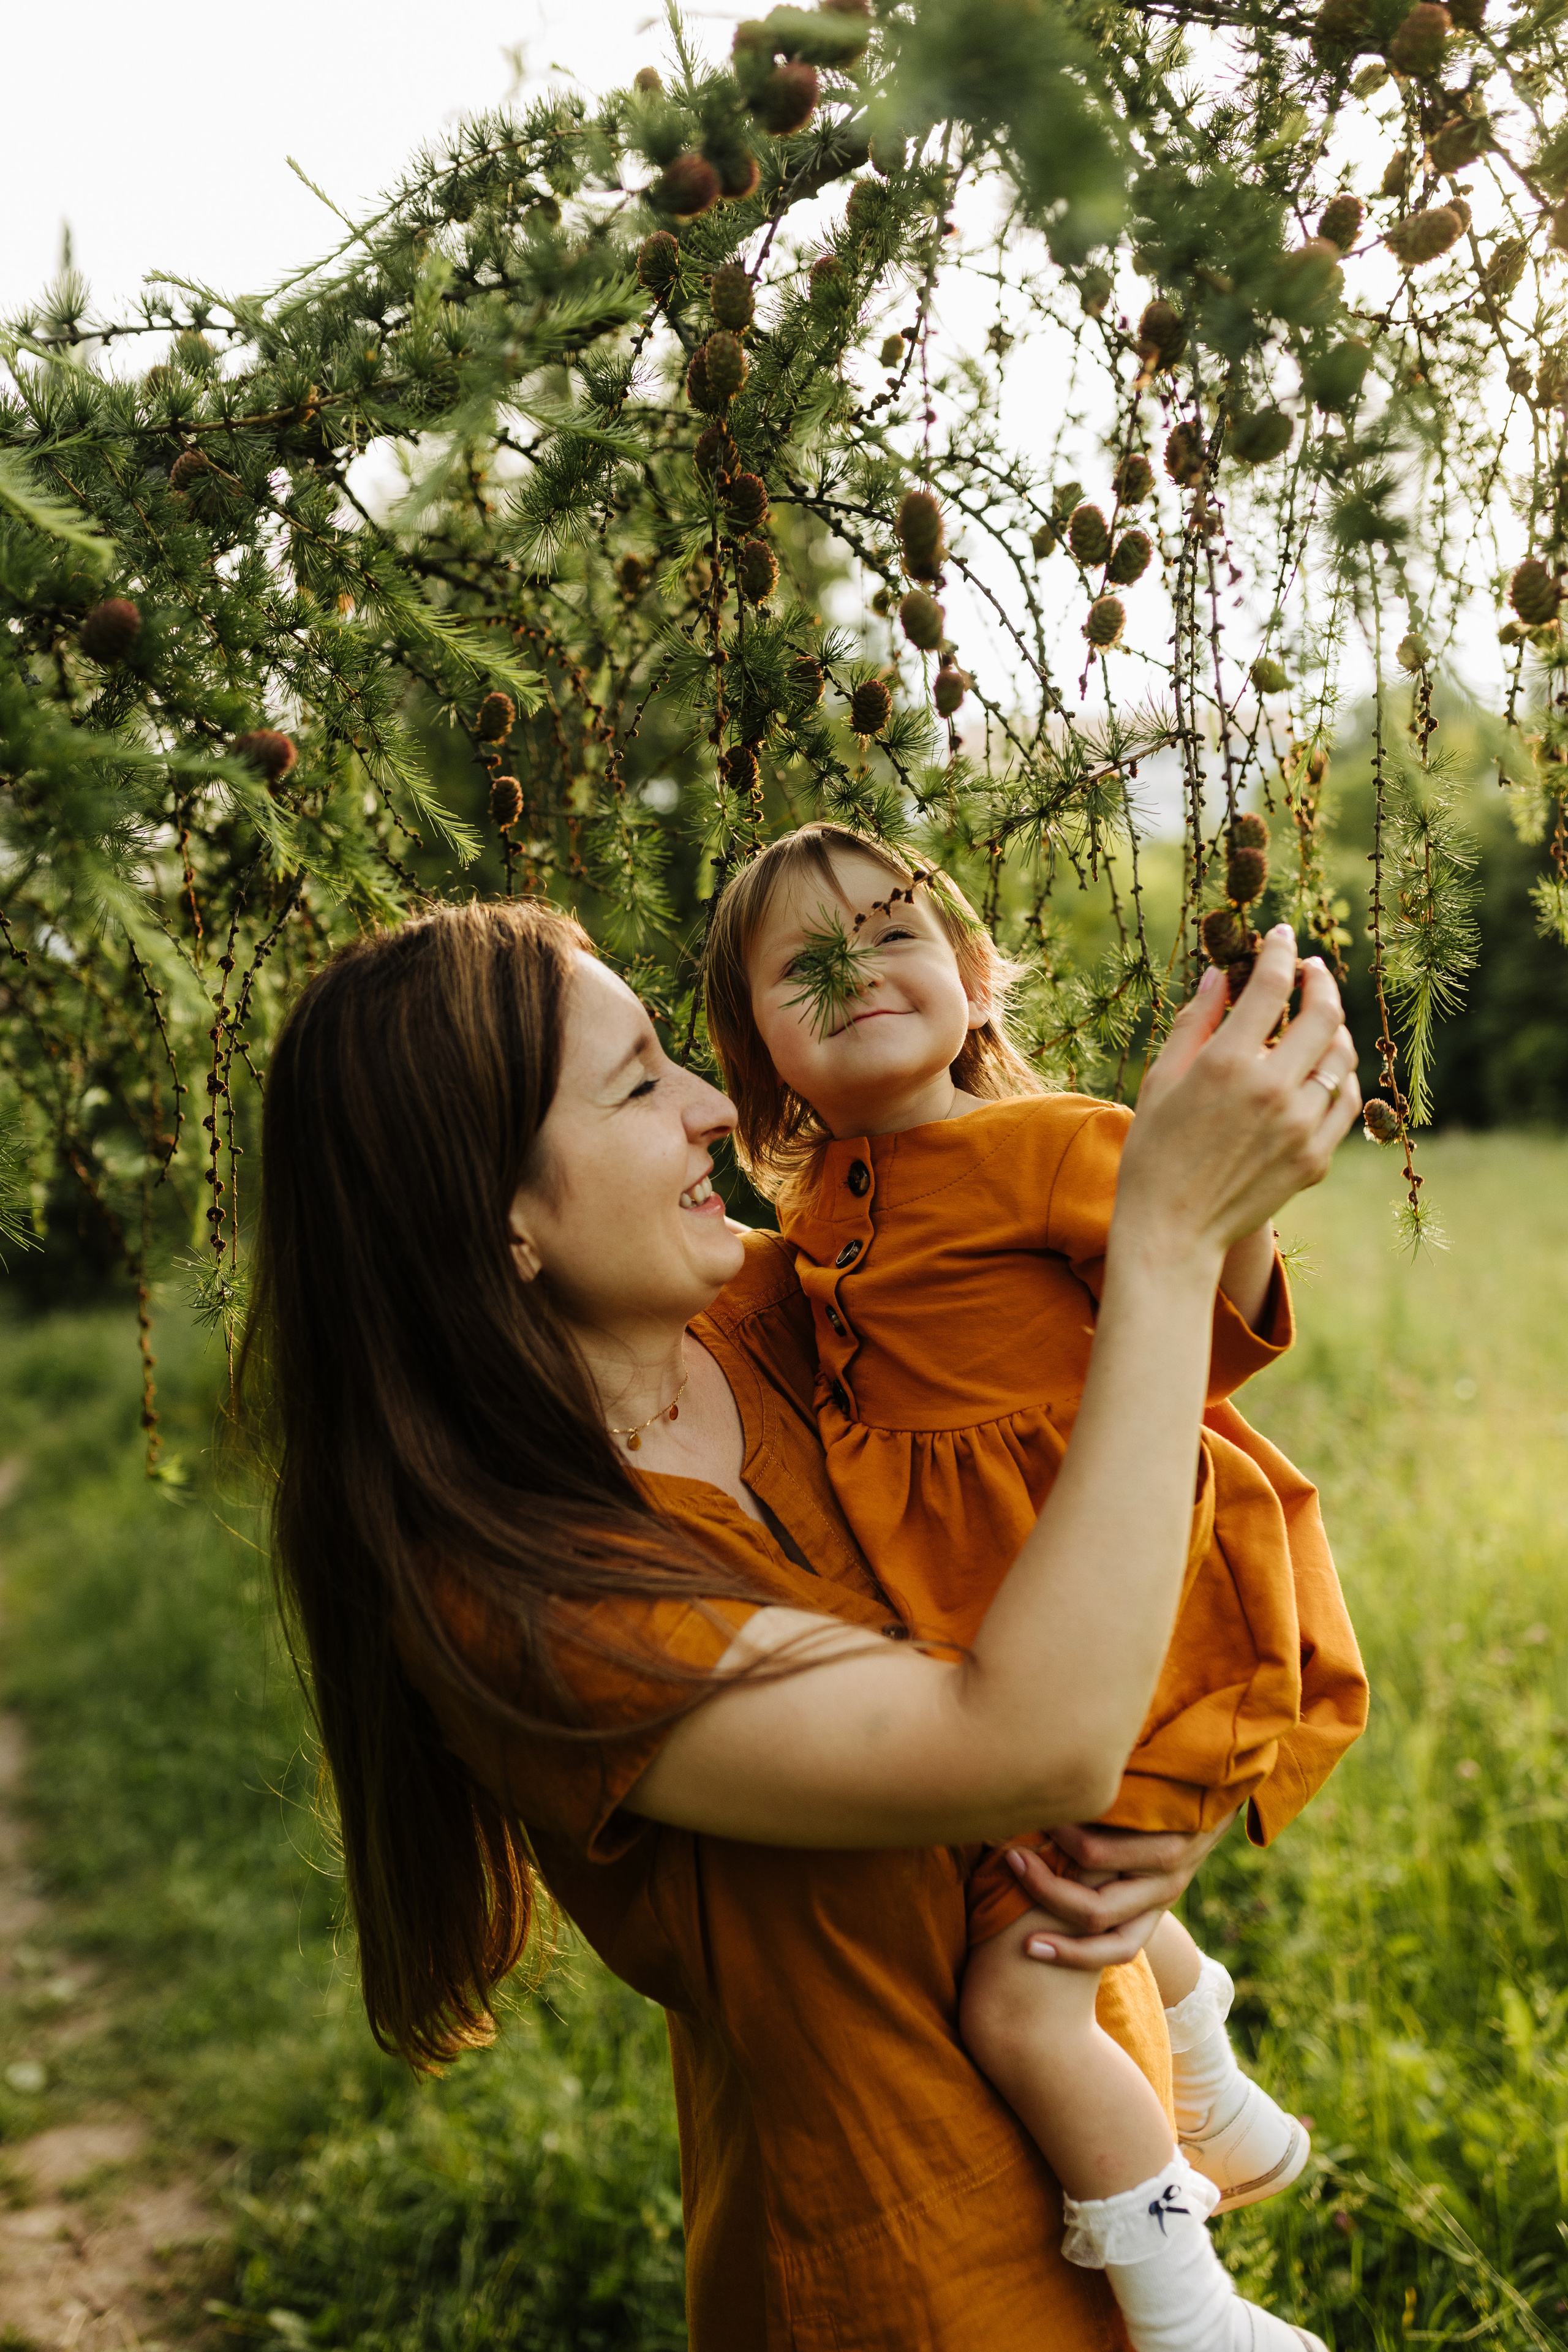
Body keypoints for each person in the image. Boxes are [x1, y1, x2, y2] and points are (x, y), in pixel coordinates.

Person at [238, 895, 1361, 2352]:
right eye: (641, 1082)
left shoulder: (782, 1315)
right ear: (497, 1215)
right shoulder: (525, 1604)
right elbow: (1025, 1743)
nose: (713, 1107)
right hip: (910, 2286)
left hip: (1125, 2177)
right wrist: (1159, 1233)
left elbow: (1099, 1475)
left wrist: (1185, 1778)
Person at [702, 824, 1368, 2352]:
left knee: (1018, 1995)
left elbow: (1209, 1317)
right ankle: (1203, 2068)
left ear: (973, 975)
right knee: (1049, 1872)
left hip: (1135, 1600)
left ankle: (1185, 2305)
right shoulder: (803, 1223)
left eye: (891, 932)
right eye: (803, 966)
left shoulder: (1055, 1139)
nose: (856, 971)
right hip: (990, 1627)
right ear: (756, 1055)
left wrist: (1222, 1170)